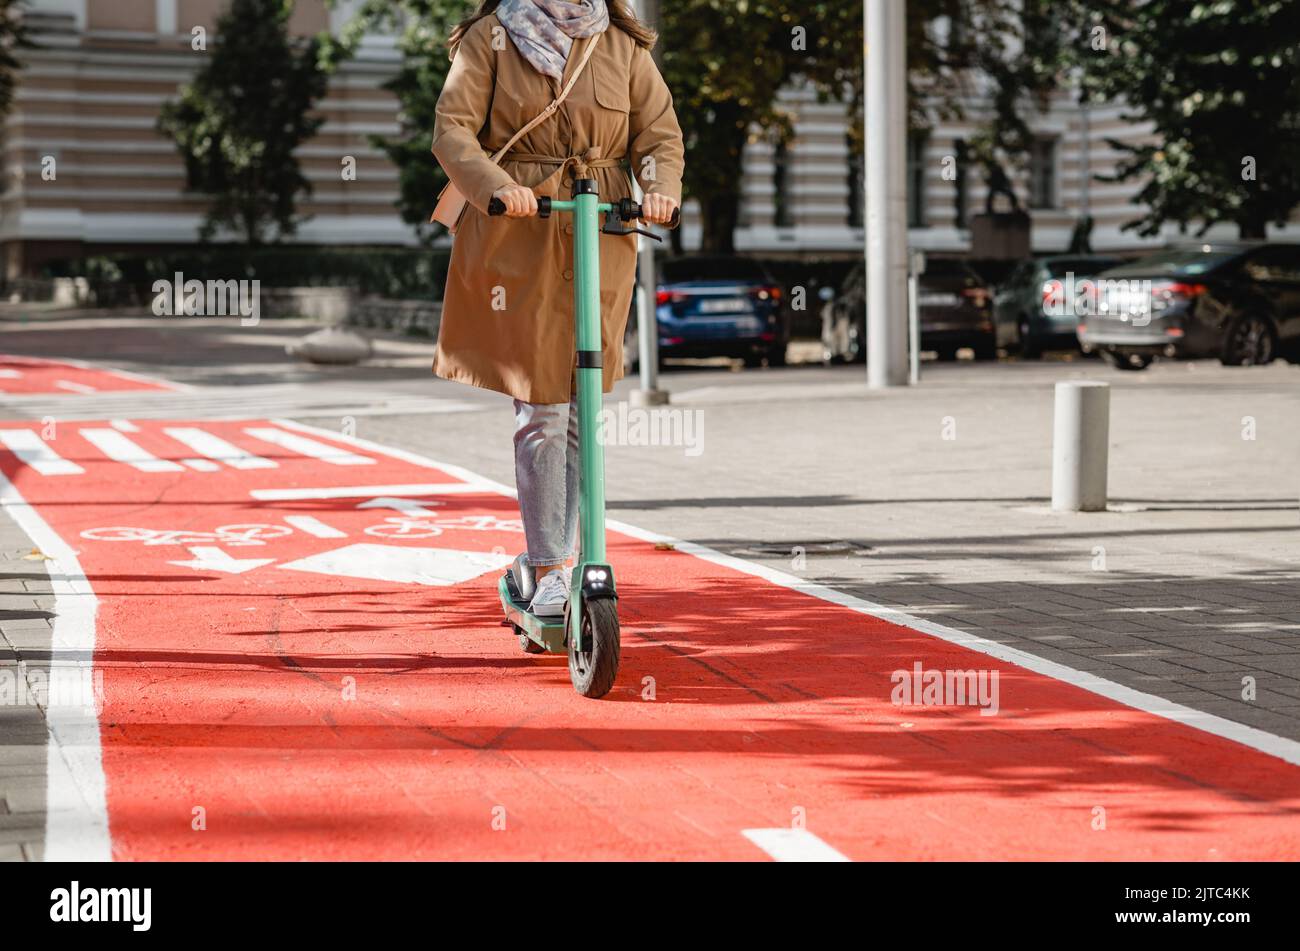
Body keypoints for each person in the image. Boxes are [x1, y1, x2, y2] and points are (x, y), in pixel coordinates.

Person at [431, 0, 684, 617]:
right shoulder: (490, 39)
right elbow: (452, 132)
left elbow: (658, 135)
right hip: (521, 234)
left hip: (601, 231)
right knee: (543, 405)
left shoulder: (622, 46)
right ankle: (549, 568)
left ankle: (554, 559)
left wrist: (659, 190)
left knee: (579, 407)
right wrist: (498, 187)